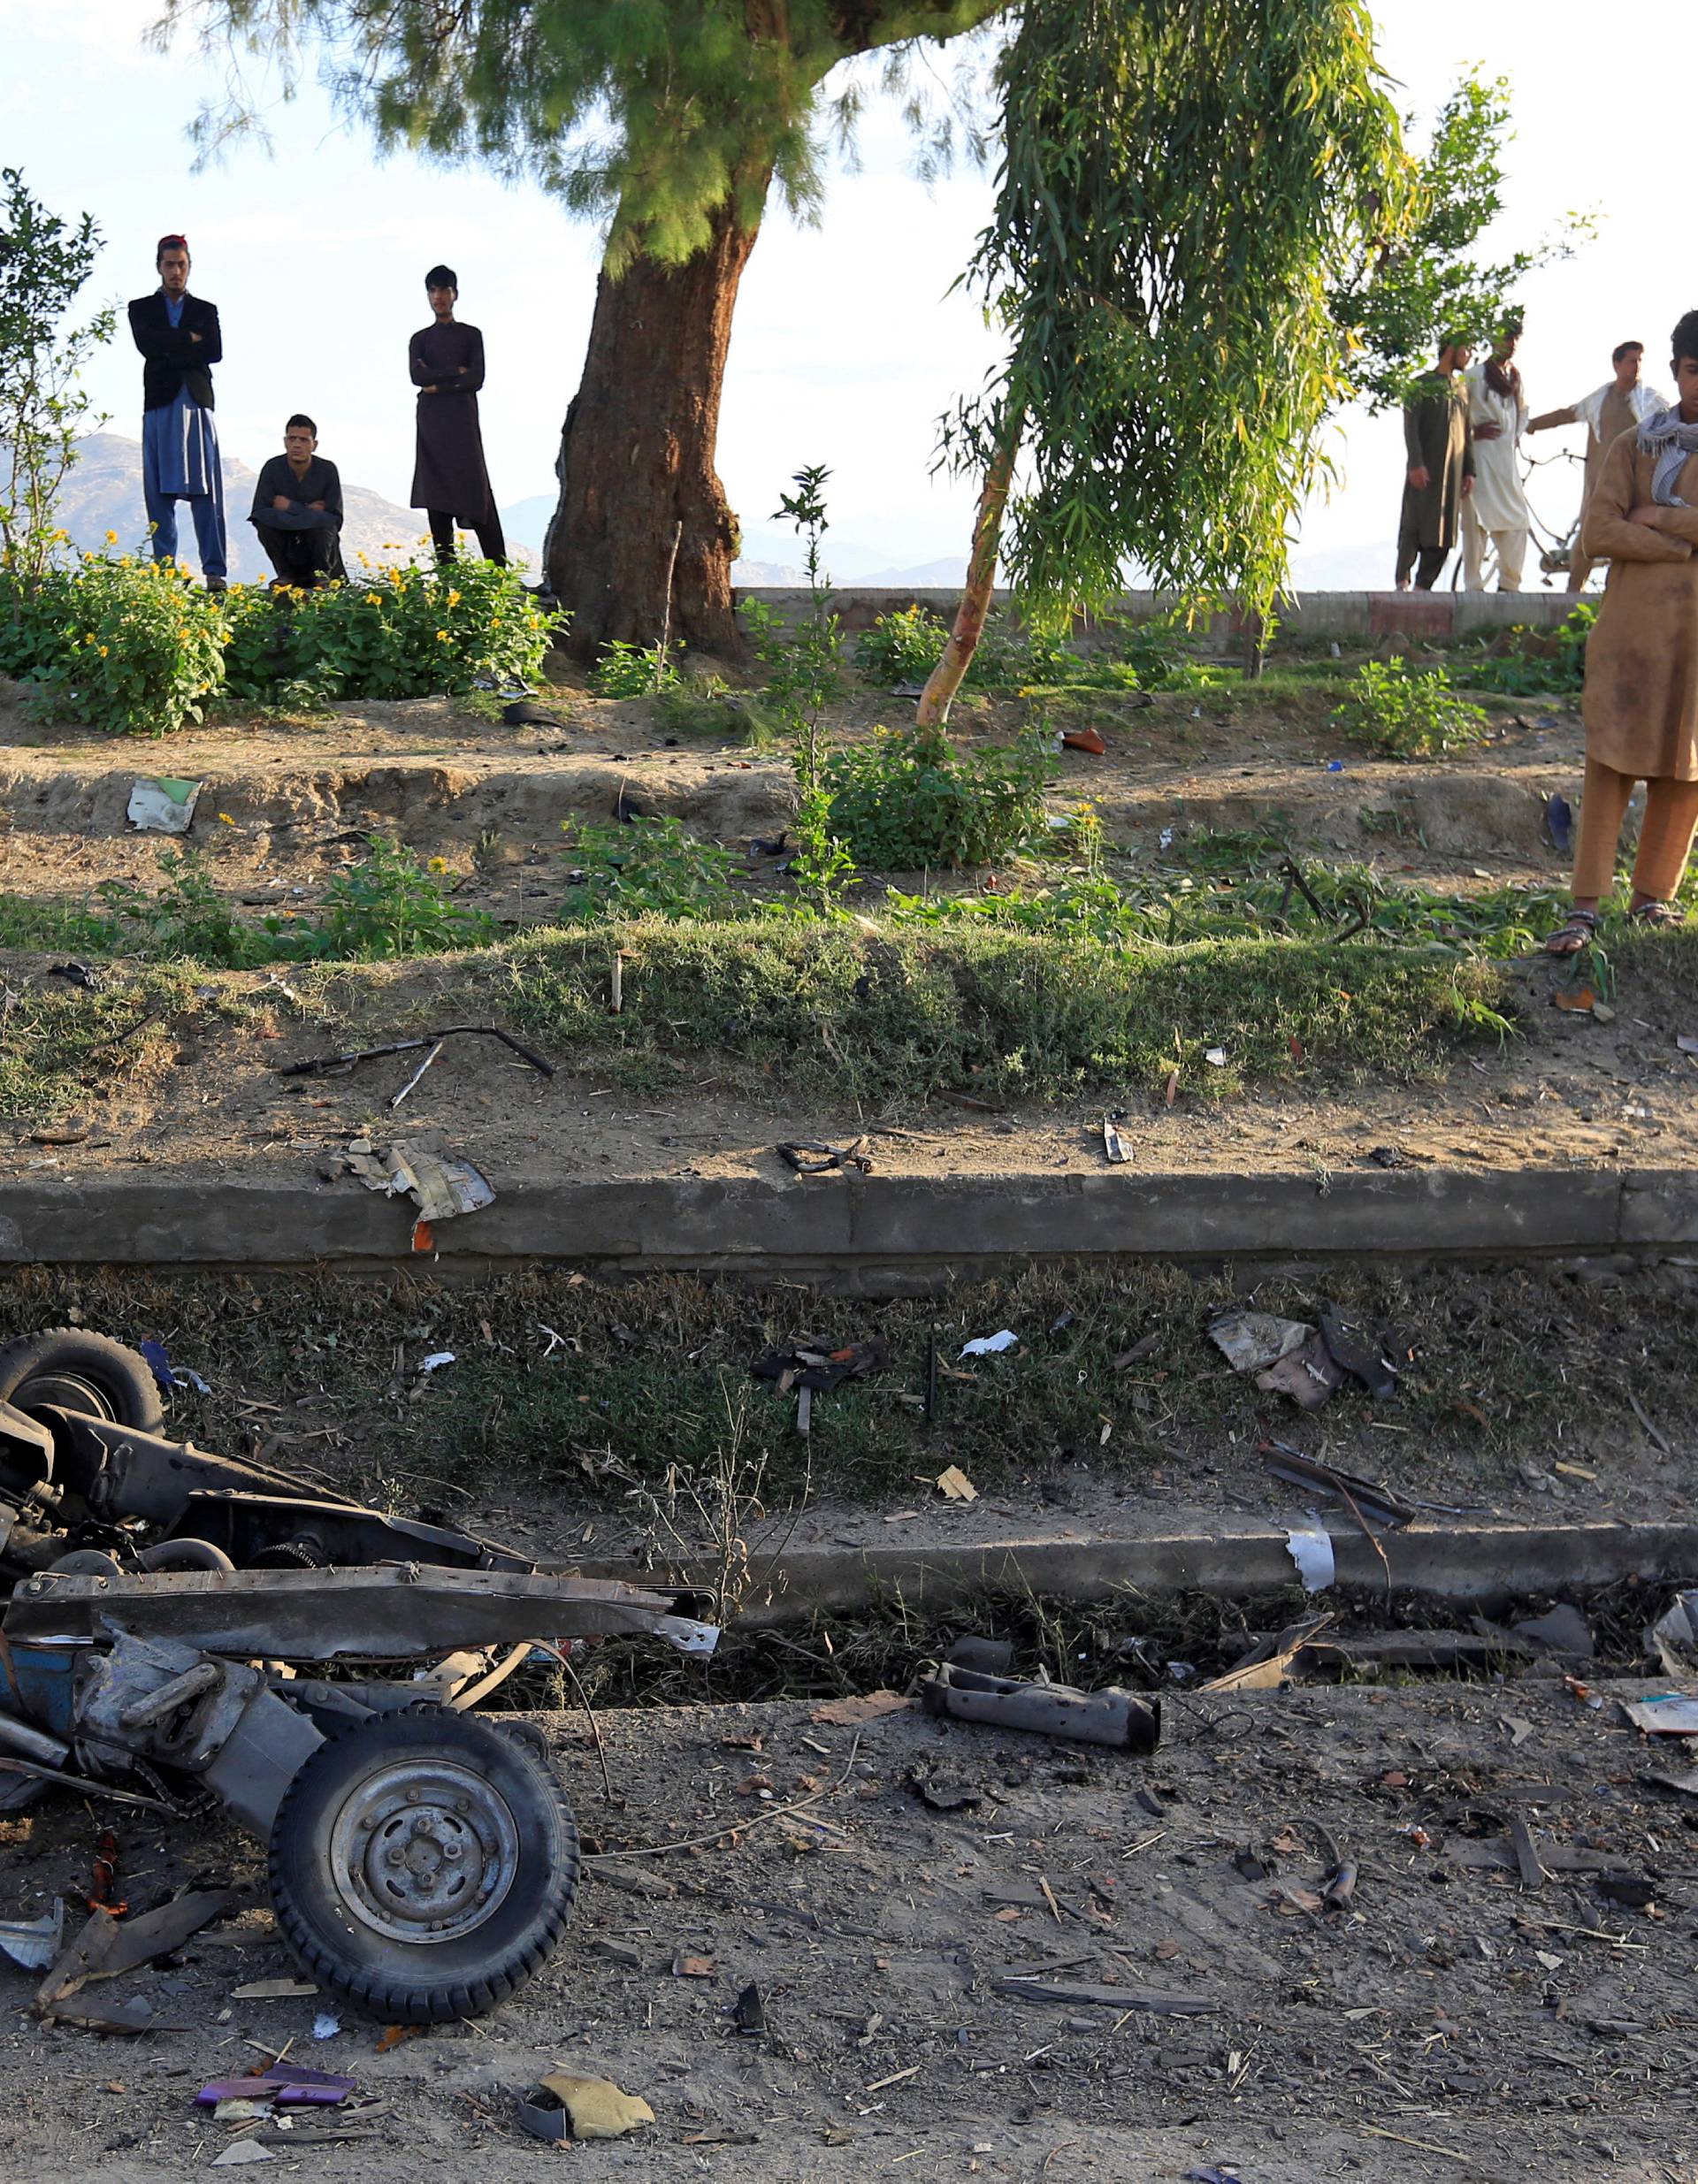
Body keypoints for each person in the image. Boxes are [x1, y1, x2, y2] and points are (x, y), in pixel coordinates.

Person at [1545, 310, 1698, 956]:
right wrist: (1679, 546)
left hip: (1695, 644)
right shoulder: (1633, 445)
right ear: (1675, 372)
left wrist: (1657, 516)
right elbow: (1599, 531)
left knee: (1685, 770)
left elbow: (1631, 523)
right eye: (1694, 370)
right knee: (1609, 763)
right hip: (1631, 635)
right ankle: (1585, 909)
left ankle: (1651, 902)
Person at [127, 233, 227, 592]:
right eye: (169, 264)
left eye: (181, 265)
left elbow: (214, 351)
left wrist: (171, 343)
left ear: (189, 267)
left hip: (197, 402)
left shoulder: (205, 310)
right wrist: (190, 340)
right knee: (158, 491)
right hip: (159, 403)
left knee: (206, 492)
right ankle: (165, 572)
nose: (175, 271)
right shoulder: (141, 308)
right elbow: (147, 346)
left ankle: (214, 572)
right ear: (159, 267)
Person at [1528, 342, 1672, 591]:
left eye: (1639, 361)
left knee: (1631, 537)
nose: (1635, 366)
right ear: (1616, 364)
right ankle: (1574, 594)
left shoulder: (1651, 402)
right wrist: (1530, 425)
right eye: (1630, 360)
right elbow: (1566, 414)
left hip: (1636, 484)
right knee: (1590, 535)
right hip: (1600, 483)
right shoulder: (1599, 400)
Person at [409, 264, 505, 566]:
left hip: (462, 424)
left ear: (455, 294)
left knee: (476, 490)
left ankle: (499, 571)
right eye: (433, 291)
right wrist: (453, 374)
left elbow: (476, 378)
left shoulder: (470, 335)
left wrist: (437, 382)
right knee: (435, 495)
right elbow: (417, 377)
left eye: (444, 290)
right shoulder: (420, 340)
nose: (439, 297)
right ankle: (447, 576)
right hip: (432, 425)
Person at [1396, 339, 1475, 590]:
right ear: (1451, 350)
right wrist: (1416, 464)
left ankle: (1424, 586)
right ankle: (1402, 581)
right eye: (1466, 349)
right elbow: (1411, 428)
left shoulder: (1462, 389)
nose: (1470, 355)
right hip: (1425, 468)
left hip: (1453, 472)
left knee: (1445, 528)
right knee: (1414, 523)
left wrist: (1469, 471)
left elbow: (1468, 431)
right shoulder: (1421, 385)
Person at [1461, 324, 1533, 592]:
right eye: (1506, 337)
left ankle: (1509, 585)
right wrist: (1471, 432)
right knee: (1475, 523)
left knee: (1517, 521)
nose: (1511, 343)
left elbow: (1523, 411)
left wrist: (1514, 435)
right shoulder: (1473, 376)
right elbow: (1454, 417)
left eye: (1514, 338)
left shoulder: (1515, 377)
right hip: (1478, 460)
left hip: (1505, 462)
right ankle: (1473, 587)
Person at [249, 415, 346, 589]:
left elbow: (334, 518)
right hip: (286, 543)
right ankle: (285, 575)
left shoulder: (327, 470)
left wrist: (291, 508)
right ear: (285, 441)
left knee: (323, 527)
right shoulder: (273, 468)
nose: (297, 444)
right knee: (265, 524)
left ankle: (321, 576)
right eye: (292, 438)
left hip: (320, 548)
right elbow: (260, 512)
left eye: (303, 440)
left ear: (314, 445)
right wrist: (310, 512)